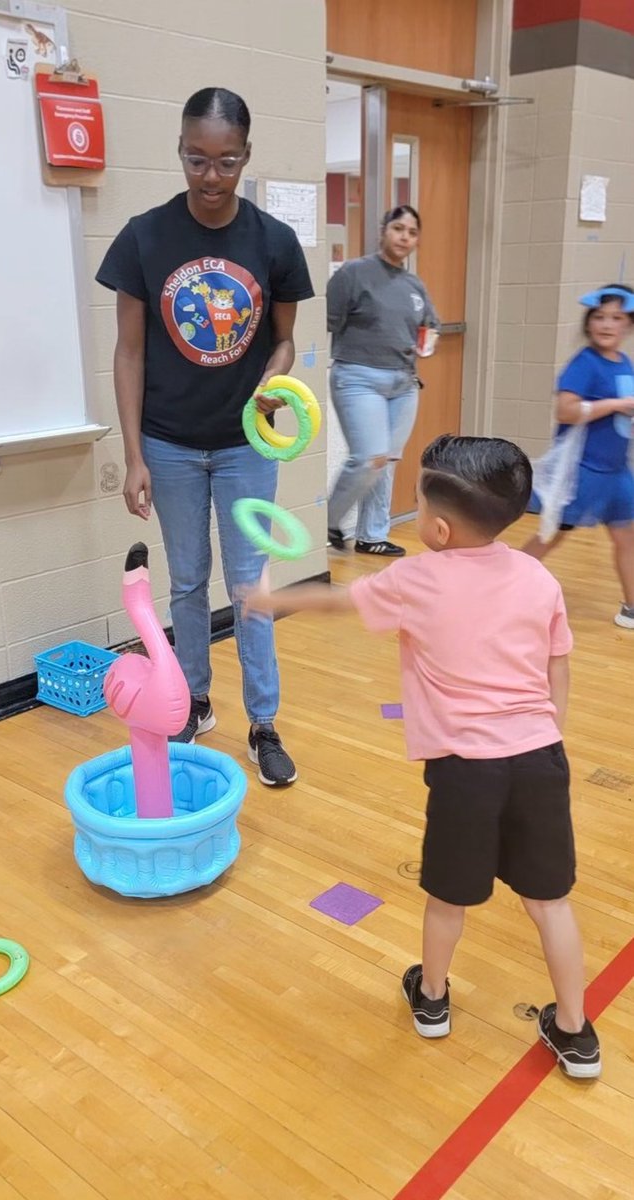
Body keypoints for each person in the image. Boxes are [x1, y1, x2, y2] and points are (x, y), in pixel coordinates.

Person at [244, 434, 601, 1078]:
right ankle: (575, 1034)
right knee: (551, 902)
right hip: (541, 759)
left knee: (447, 899)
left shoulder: (415, 577)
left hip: (467, 772)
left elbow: (335, 602)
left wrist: (271, 599)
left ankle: (432, 999)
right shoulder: (538, 576)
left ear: (436, 527)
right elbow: (559, 666)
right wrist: (550, 736)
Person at [96, 87, 314, 787]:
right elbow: (129, 352)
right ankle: (192, 699)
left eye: (226, 162)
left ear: (246, 157)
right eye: (197, 160)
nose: (211, 177)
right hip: (168, 442)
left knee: (248, 585)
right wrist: (132, 455)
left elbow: (284, 343)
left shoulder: (273, 242)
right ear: (181, 153)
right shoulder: (143, 236)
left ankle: (264, 723)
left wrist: (270, 380)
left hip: (247, 442)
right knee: (187, 582)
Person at [326, 204, 440, 557]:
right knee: (368, 457)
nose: (404, 237)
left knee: (386, 460)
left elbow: (430, 323)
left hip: (403, 384)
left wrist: (428, 339)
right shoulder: (354, 273)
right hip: (358, 377)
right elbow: (328, 320)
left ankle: (372, 535)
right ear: (383, 231)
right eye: (398, 229)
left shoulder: (413, 284)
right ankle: (327, 520)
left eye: (412, 232)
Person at [522, 284, 634, 629]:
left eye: (616, 318)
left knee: (627, 537)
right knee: (551, 534)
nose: (606, 324)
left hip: (616, 473)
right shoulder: (584, 363)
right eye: (599, 317)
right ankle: (497, 586)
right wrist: (616, 405)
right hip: (582, 472)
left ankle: (632, 607)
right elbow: (566, 411)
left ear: (628, 325)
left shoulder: (624, 363)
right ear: (589, 324)